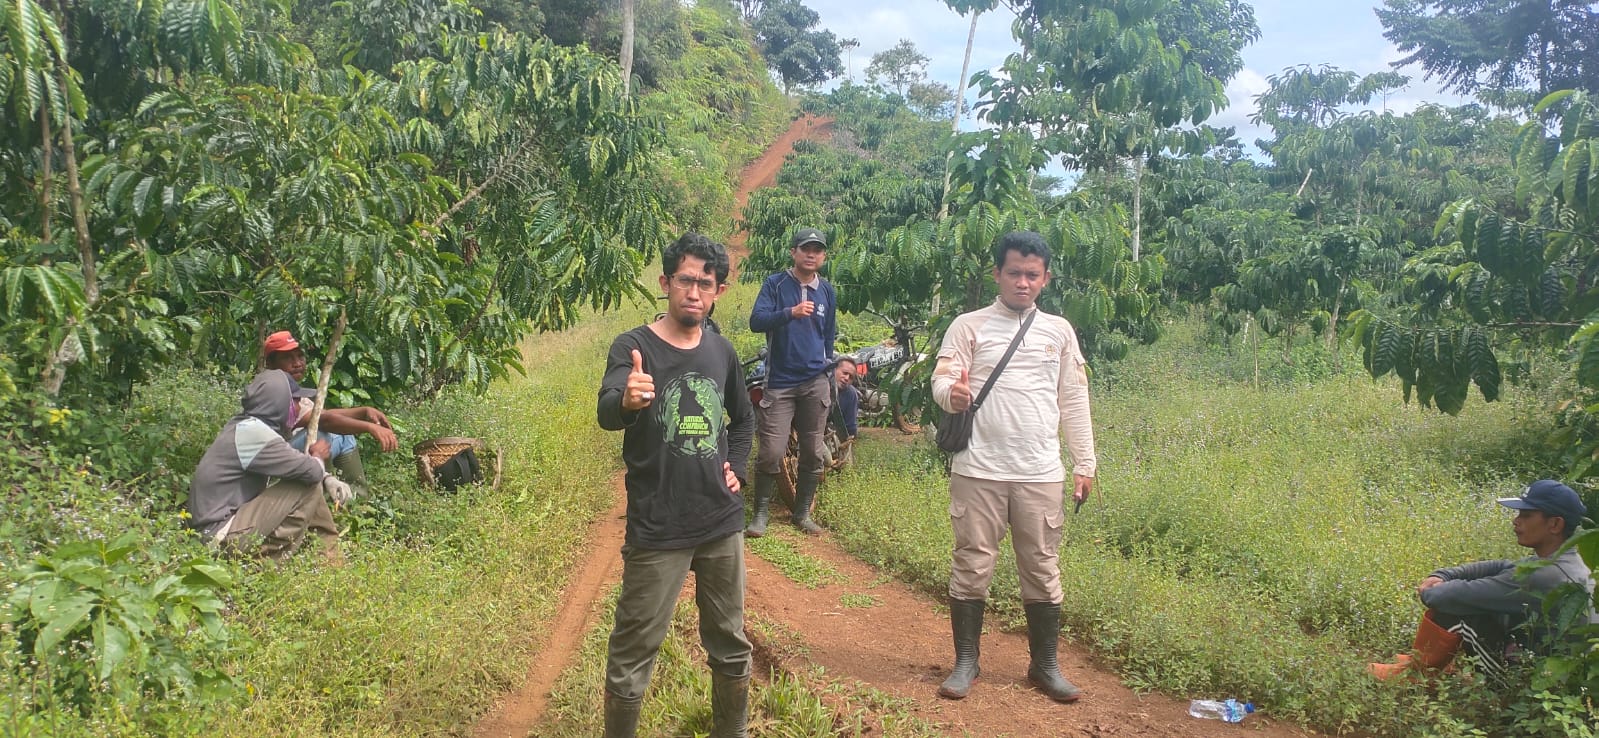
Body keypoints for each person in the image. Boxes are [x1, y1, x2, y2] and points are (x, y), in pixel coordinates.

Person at [596, 233, 755, 738]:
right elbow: (606, 411)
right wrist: (627, 398)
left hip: (720, 521)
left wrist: (737, 467)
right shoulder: (633, 347)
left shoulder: (722, 351)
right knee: (633, 651)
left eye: (705, 283)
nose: (694, 291)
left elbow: (744, 421)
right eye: (685, 279)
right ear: (665, 283)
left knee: (730, 641)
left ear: (718, 292)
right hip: (657, 524)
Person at [930, 231, 1097, 704]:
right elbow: (942, 379)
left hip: (1040, 472)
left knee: (1043, 568)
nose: (1022, 283)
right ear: (996, 275)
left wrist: (1084, 462)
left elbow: (1074, 399)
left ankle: (1044, 665)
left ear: (1045, 278)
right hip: (977, 469)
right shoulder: (968, 325)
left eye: (1032, 275)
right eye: (1014, 273)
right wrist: (952, 395)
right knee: (971, 564)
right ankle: (966, 662)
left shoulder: (1059, 332)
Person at [1368, 480, 1595, 681]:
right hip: (1557, 669)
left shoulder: (1544, 575)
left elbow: (1447, 597)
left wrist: (1433, 589)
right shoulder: (1565, 561)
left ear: (1555, 524)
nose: (1516, 521)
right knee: (1480, 603)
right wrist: (1443, 574)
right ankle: (1425, 661)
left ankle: (1416, 673)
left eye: (1526, 515)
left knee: (1457, 612)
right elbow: (1501, 566)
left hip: (1533, 683)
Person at [187, 369, 354, 562]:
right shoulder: (256, 436)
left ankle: (330, 555)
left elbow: (293, 466)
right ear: (281, 404)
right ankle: (263, 562)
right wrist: (318, 456)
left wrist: (327, 477)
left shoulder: (245, 427)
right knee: (309, 484)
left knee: (308, 478)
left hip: (212, 530)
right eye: (297, 401)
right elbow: (312, 471)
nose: (301, 407)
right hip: (218, 536)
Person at [746, 227, 837, 536]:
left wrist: (829, 367)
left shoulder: (827, 291)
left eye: (817, 250)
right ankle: (760, 515)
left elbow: (828, 335)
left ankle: (802, 513)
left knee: (813, 451)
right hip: (780, 382)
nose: (811, 254)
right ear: (793, 252)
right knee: (771, 451)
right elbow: (756, 321)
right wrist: (790, 313)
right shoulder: (776, 284)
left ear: (823, 256)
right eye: (805, 248)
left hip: (815, 381)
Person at [261, 330, 398, 497]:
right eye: (287, 358)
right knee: (325, 433)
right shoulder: (273, 389)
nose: (297, 363)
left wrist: (364, 412)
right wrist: (370, 428)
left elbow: (320, 414)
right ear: (271, 364)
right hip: (272, 465)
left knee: (342, 433)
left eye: (299, 356)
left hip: (286, 454)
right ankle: (326, 496)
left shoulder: (290, 388)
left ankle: (356, 497)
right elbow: (323, 420)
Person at [832, 356, 860, 468]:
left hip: (834, 433)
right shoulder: (819, 385)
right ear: (834, 370)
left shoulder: (851, 394)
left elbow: (850, 426)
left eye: (851, 377)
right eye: (844, 373)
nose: (846, 378)